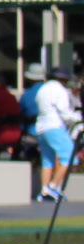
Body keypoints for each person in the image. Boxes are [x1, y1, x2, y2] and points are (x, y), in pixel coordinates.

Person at [26, 64, 80, 200]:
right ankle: (53, 186)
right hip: (54, 126)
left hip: (41, 127)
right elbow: (65, 114)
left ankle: (44, 190)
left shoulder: (42, 89)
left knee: (47, 160)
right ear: (63, 79)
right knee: (70, 157)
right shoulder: (60, 90)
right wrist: (78, 117)